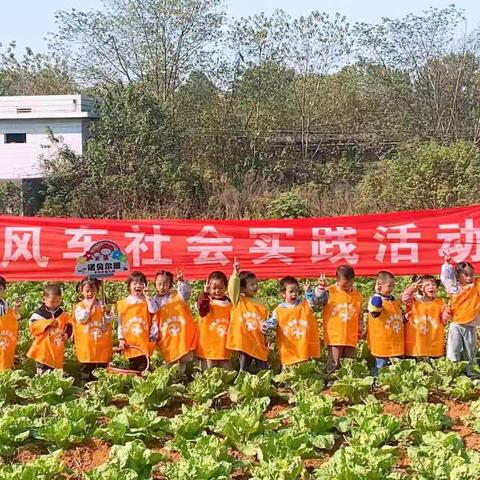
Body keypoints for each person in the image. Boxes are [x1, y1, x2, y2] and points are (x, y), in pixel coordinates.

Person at [261, 276, 320, 367]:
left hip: (302, 345)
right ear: (283, 294)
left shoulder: (304, 304)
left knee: (303, 371)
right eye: (291, 291)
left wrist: (308, 291)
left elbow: (313, 303)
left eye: (296, 291)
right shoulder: (279, 310)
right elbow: (272, 322)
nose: (294, 294)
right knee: (288, 372)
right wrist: (266, 326)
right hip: (288, 347)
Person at [149, 268, 197, 376]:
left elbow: (186, 293)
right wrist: (154, 335)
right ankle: (172, 378)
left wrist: (181, 281)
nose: (162, 287)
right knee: (170, 358)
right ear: (155, 284)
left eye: (165, 284)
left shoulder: (178, 295)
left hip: (182, 333)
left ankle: (182, 377)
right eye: (159, 284)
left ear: (170, 285)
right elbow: (154, 318)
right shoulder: (154, 301)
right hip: (167, 335)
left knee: (183, 357)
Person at [227, 259, 269, 374]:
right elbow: (232, 289)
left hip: (257, 340)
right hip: (244, 340)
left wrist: (267, 336)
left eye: (256, 283)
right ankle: (240, 385)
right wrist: (235, 274)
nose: (255, 286)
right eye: (252, 284)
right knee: (244, 367)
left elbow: (265, 321)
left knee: (263, 365)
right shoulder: (238, 300)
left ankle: (267, 383)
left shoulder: (260, 302)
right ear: (242, 289)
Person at [320, 265, 364, 375]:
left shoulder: (357, 296)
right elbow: (315, 301)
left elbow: (360, 315)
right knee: (334, 361)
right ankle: (330, 379)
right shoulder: (329, 292)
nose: (347, 287)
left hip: (351, 334)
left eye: (350, 284)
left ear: (353, 280)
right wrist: (319, 289)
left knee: (350, 362)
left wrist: (361, 328)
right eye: (344, 285)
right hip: (335, 335)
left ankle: (347, 380)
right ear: (337, 280)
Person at [441, 254, 480, 376]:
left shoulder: (476, 285)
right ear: (458, 276)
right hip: (456, 322)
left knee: (470, 350)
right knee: (453, 348)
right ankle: (452, 372)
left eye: (471, 275)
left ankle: (472, 373)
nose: (469, 278)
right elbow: (446, 277)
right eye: (466, 275)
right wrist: (447, 264)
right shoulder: (454, 288)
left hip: (471, 323)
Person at [73, 277, 114, 381]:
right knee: (87, 370)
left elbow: (110, 319)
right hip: (86, 345)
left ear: (97, 291)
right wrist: (89, 308)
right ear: (81, 291)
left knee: (101, 371)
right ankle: (86, 391)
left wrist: (108, 312)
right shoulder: (80, 306)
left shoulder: (102, 304)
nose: (90, 294)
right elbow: (82, 319)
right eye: (87, 291)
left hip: (101, 344)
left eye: (93, 291)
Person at [27, 284, 72, 375]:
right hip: (43, 350)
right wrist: (48, 323)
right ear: (44, 299)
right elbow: (33, 327)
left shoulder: (62, 314)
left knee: (56, 373)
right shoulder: (38, 314)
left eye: (58, 301)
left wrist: (66, 334)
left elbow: (70, 325)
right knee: (43, 374)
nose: (55, 304)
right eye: (52, 301)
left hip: (57, 349)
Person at [402, 275, 450, 360]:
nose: (431, 286)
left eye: (433, 284)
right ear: (420, 288)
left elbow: (444, 319)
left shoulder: (440, 303)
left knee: (434, 367)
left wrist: (447, 313)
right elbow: (405, 298)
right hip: (416, 342)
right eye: (427, 285)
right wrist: (413, 288)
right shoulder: (413, 301)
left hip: (433, 341)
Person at [117, 271, 157, 372]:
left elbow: (153, 310)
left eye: (141, 283)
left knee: (145, 367)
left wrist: (147, 296)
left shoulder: (147, 301)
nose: (138, 285)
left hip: (144, 341)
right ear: (129, 286)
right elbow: (120, 323)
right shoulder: (123, 303)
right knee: (133, 368)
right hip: (130, 343)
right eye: (134, 283)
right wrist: (121, 338)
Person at [367, 271, 404, 376]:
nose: (391, 289)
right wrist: (377, 293)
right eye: (389, 286)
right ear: (379, 285)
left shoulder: (394, 301)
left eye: (393, 286)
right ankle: (377, 385)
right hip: (381, 343)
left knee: (394, 370)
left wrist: (405, 318)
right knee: (381, 367)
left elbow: (397, 318)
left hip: (394, 342)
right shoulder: (375, 299)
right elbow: (375, 312)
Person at [196, 271, 232, 370]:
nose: (217, 291)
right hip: (208, 346)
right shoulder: (206, 301)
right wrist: (205, 294)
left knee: (228, 373)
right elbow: (202, 309)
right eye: (214, 288)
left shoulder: (229, 302)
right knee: (207, 374)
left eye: (220, 288)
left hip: (224, 346)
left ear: (226, 287)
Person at [0, 276, 20, 371]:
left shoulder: (6, 305)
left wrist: (16, 310)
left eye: (0, 288)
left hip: (5, 340)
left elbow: (13, 320)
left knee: (5, 361)